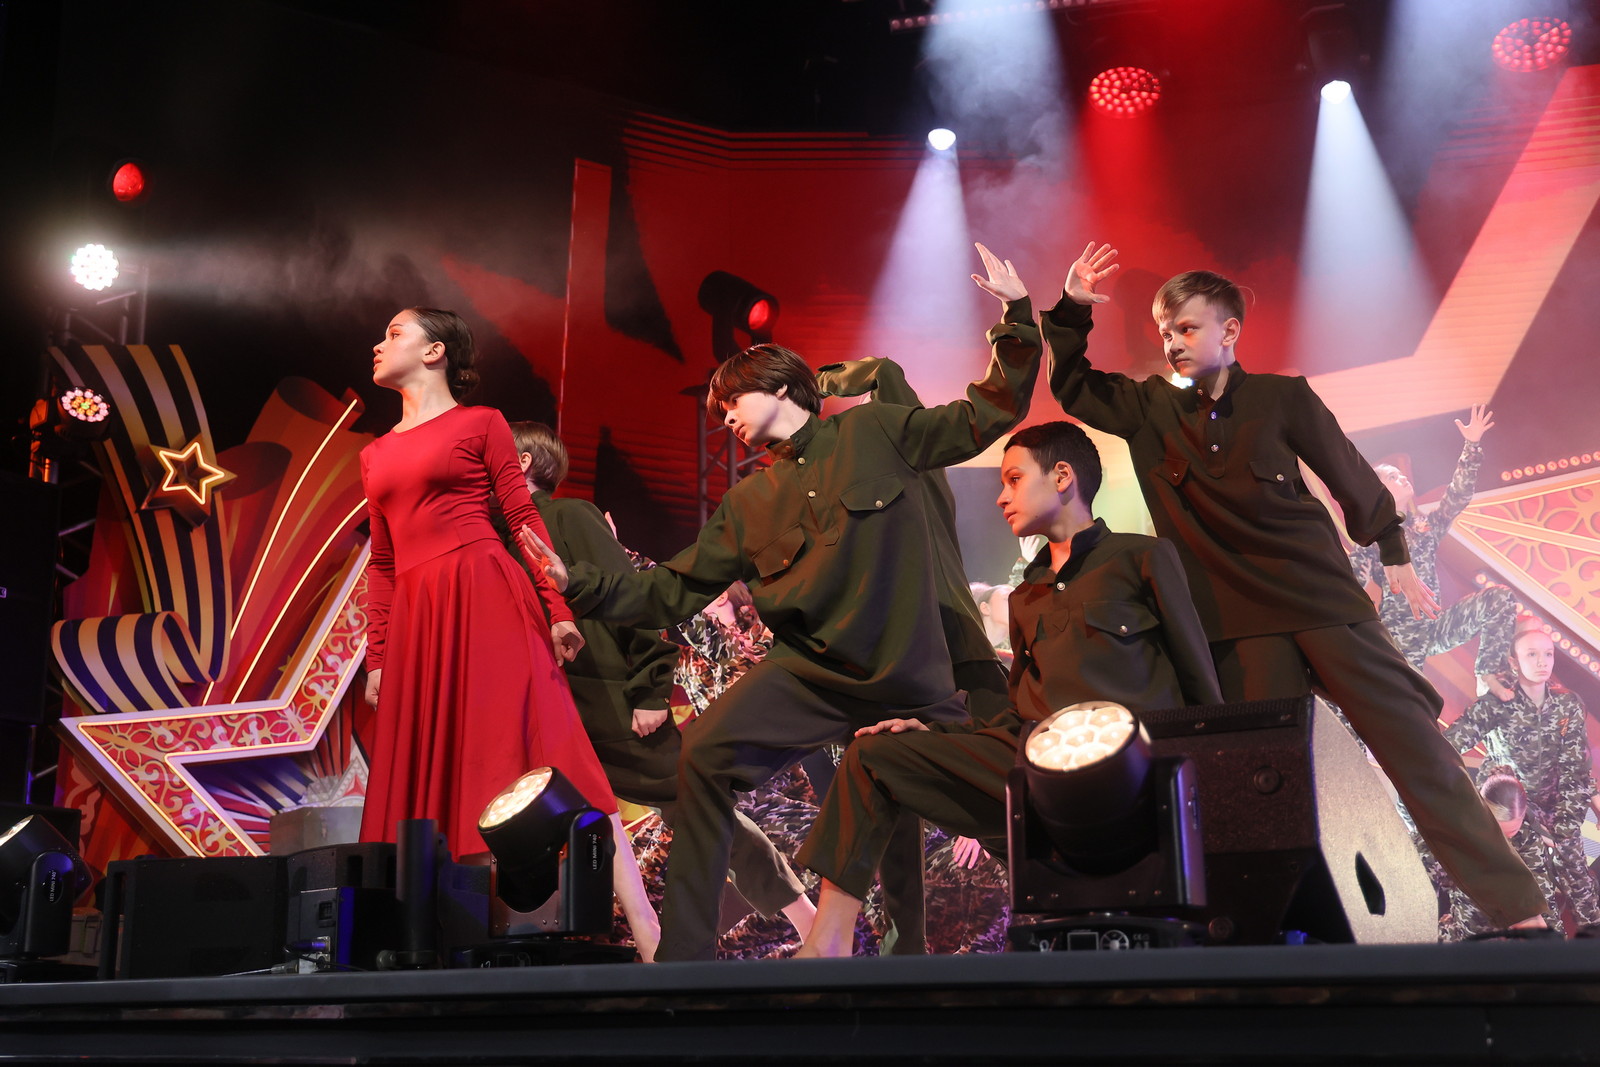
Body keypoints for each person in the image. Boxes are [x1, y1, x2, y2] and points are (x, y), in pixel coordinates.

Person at [521, 243, 1044, 961]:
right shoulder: (748, 501)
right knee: (702, 755)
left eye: (733, 401)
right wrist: (577, 582)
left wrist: (1016, 315)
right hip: (812, 676)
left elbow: (987, 410)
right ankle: (683, 961)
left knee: (998, 799)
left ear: (778, 385)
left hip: (908, 674)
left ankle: (1054, 908)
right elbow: (669, 589)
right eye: (719, 411)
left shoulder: (875, 430)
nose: (725, 418)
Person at [1031, 246, 1548, 932]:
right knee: (1261, 791)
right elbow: (1074, 386)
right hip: (1235, 625)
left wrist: (1393, 549)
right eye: (1163, 331)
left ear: (1229, 330)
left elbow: (1347, 470)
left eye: (1185, 327)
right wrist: (1071, 308)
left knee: (1418, 751)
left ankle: (1520, 914)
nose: (1171, 341)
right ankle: (1280, 944)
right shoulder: (1150, 409)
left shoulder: (1283, 397)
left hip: (1321, 602)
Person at [794, 420, 1222, 955]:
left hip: (1129, 774)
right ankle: (828, 940)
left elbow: (1199, 683)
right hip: (1034, 765)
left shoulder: (1142, 558)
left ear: (1062, 476)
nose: (1001, 497)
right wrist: (933, 732)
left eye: (1014, 479)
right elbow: (1019, 708)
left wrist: (1214, 792)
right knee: (873, 755)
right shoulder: (1025, 597)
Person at [357, 308, 659, 959]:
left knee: (549, 749)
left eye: (395, 333)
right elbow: (381, 564)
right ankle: (457, 941)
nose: (379, 344)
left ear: (436, 351)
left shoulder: (481, 423)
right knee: (437, 769)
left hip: (485, 594)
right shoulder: (374, 454)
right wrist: (378, 657)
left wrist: (557, 608)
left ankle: (646, 928)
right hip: (416, 618)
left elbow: (522, 516)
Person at [508, 421, 815, 945]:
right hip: (550, 708)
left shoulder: (569, 515)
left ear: (522, 463)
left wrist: (651, 688)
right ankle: (642, 936)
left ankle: (807, 918)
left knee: (696, 808)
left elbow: (631, 598)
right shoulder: (493, 537)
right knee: (589, 823)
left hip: (609, 703)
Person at [1349, 405, 1517, 700]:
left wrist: (1471, 444)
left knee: (1500, 599)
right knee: (1403, 701)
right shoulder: (1371, 537)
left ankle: (1488, 671)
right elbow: (1350, 581)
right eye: (1392, 477)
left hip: (1437, 626)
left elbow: (1457, 497)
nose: (1402, 477)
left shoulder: (1423, 527)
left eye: (1401, 473)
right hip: (1400, 635)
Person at [1446, 622, 1600, 930]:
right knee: (1539, 903)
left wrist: (1565, 827)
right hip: (1514, 813)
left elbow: (1576, 770)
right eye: (1532, 654)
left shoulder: (1567, 704)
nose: (1542, 662)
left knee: (1585, 898)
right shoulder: (1496, 704)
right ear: (1514, 661)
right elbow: (1448, 745)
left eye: (1548, 654)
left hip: (1560, 812)